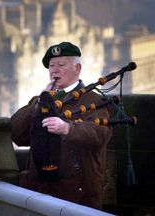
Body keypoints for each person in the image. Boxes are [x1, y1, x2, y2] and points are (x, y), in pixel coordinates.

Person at [11, 41, 112, 209]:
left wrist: (68, 129)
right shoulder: (40, 100)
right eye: (51, 66)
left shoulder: (94, 100)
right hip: (38, 191)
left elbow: (100, 134)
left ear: (77, 69)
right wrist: (38, 102)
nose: (54, 70)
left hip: (76, 194)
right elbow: (16, 134)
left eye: (61, 65)